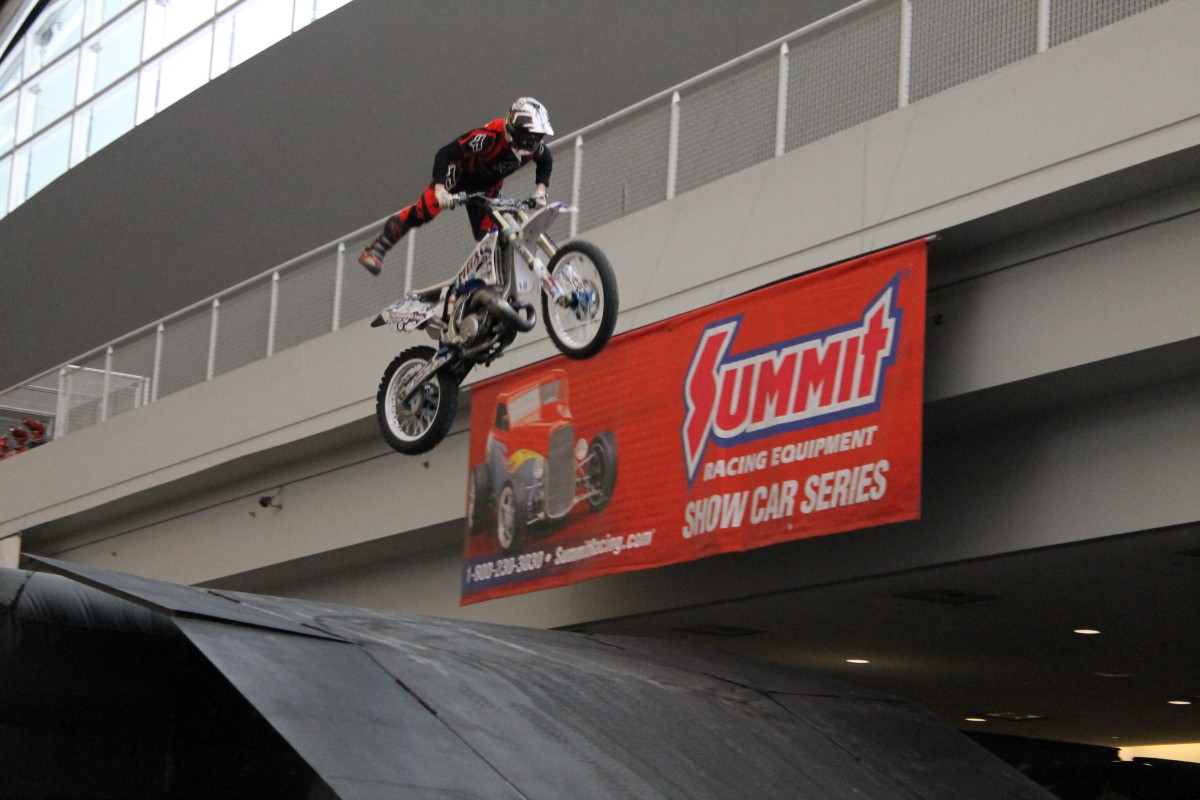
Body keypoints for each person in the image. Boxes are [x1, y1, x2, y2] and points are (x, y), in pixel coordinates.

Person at [359, 97, 555, 276]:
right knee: (424, 211)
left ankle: (493, 281)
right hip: (459, 176)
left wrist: (540, 191)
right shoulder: (488, 137)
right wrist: (440, 189)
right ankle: (377, 248)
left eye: (537, 137)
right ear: (514, 130)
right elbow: (445, 154)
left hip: (487, 188)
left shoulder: (534, 148)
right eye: (529, 136)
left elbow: (546, 161)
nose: (533, 142)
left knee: (491, 235)